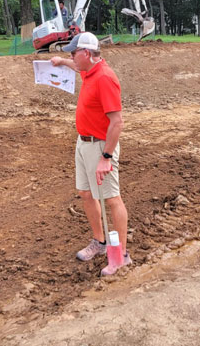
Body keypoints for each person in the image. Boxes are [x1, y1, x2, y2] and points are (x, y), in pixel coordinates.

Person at [50, 32, 131, 276]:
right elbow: (78, 69)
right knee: (85, 193)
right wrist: (61, 62)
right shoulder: (90, 70)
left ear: (86, 53)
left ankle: (121, 255)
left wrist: (105, 158)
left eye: (73, 53)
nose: (71, 57)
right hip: (83, 143)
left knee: (112, 198)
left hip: (100, 146)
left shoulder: (105, 77)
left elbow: (116, 122)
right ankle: (100, 242)